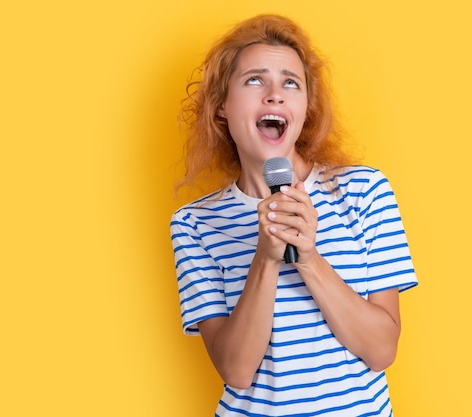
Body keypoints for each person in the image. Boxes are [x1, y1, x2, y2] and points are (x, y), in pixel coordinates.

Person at [170, 14, 418, 416]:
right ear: (221, 107)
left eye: (291, 82)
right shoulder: (194, 224)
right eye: (254, 80)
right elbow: (236, 370)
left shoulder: (363, 191)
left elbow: (381, 350)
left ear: (305, 107)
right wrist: (265, 259)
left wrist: (308, 257)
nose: (275, 95)